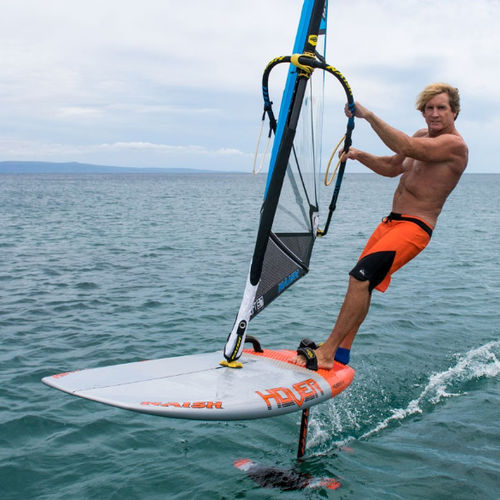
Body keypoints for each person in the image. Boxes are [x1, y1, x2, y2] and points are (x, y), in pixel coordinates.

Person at [291, 82, 468, 370]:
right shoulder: (423, 135)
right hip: (390, 223)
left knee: (361, 277)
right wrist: (360, 156)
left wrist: (368, 115)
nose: (434, 114)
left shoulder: (454, 146)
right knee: (363, 283)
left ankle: (326, 353)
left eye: (441, 108)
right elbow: (393, 166)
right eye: (429, 108)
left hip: (415, 227)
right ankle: (341, 351)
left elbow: (405, 146)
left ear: (455, 112)